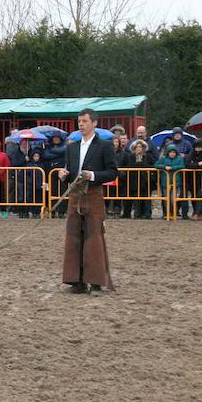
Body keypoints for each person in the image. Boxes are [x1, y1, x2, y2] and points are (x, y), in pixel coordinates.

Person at [58, 109, 118, 294]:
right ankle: (76, 281)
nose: (81, 124)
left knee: (94, 238)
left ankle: (96, 282)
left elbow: (112, 172)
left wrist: (92, 175)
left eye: (84, 121)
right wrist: (63, 175)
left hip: (93, 195)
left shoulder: (104, 146)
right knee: (74, 237)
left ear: (94, 123)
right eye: (79, 121)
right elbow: (70, 172)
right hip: (75, 196)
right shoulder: (72, 146)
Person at [120, 139, 154, 219]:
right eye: (137, 147)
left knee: (146, 198)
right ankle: (136, 214)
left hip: (146, 181)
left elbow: (153, 166)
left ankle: (147, 214)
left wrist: (142, 165)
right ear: (134, 148)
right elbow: (128, 166)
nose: (139, 148)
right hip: (133, 181)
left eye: (140, 147)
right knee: (135, 198)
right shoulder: (130, 157)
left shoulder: (148, 156)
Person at [155, 144, 185, 219]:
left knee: (173, 199)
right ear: (167, 152)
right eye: (170, 152)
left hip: (176, 182)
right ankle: (167, 214)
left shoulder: (179, 159)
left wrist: (173, 168)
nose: (172, 154)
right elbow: (156, 165)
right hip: (165, 182)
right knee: (166, 199)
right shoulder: (163, 158)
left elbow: (182, 166)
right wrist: (164, 167)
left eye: (174, 152)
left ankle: (174, 213)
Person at [185, 139, 202, 220]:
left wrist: (195, 165)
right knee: (194, 196)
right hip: (192, 178)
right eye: (196, 147)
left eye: (200, 147)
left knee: (201, 195)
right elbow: (187, 164)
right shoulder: (191, 153)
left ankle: (198, 213)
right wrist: (198, 164)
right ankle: (196, 212)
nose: (198, 149)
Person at [43, 134, 68, 218]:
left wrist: (53, 151)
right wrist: (58, 153)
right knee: (51, 192)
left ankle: (62, 212)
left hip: (62, 173)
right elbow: (46, 156)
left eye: (58, 137)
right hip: (50, 173)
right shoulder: (47, 148)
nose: (56, 139)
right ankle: (52, 210)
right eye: (54, 138)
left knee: (63, 192)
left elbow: (65, 153)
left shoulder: (65, 147)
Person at [20, 147, 45, 218]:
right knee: (30, 198)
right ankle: (30, 211)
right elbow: (26, 175)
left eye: (37, 156)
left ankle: (36, 212)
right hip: (30, 185)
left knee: (38, 198)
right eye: (34, 156)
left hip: (39, 185)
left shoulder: (42, 165)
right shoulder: (29, 165)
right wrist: (29, 181)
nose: (36, 158)